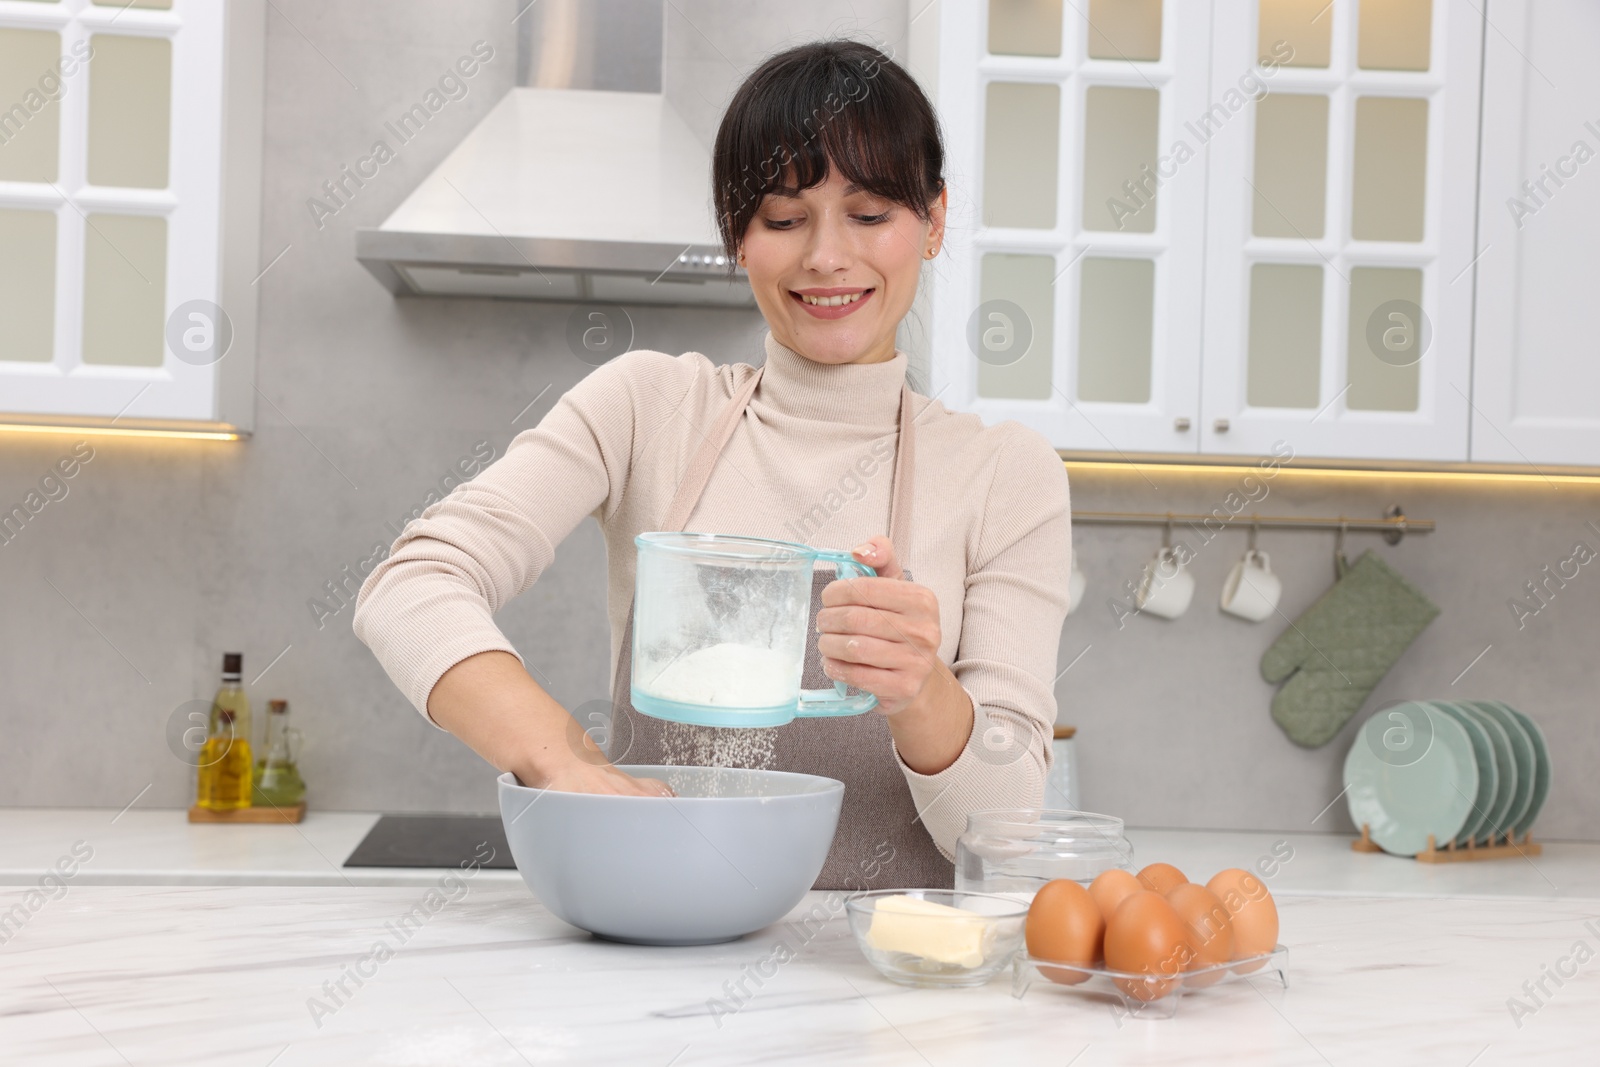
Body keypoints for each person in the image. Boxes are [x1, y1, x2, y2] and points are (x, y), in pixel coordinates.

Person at [354, 39, 1071, 890]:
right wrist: (566, 762)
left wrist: (924, 693)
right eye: (782, 216)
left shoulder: (1005, 472)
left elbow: (1009, 829)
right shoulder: (647, 407)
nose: (826, 257)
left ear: (936, 219)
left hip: (884, 989)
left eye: (871, 212)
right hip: (656, 947)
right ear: (737, 234)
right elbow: (410, 585)